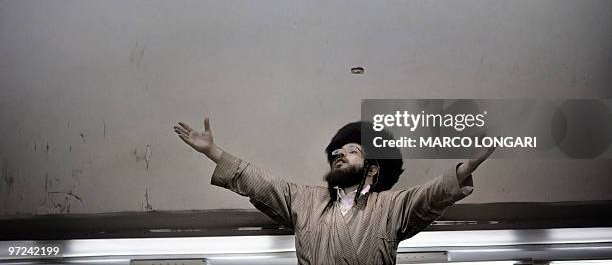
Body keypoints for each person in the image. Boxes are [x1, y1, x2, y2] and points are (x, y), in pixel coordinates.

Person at [173, 118, 495, 264]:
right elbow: (261, 182)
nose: (340, 155)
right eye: (336, 153)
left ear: (373, 167)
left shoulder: (390, 205)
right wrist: (213, 152)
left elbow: (430, 194)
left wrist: (466, 167)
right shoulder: (305, 199)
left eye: (352, 149)